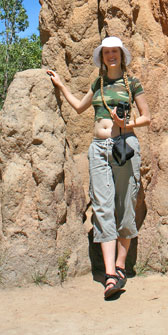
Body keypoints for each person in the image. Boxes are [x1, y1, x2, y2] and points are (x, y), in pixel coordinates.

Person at [46, 36, 150, 299]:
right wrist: (60, 85)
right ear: (102, 57)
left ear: (121, 55)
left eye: (115, 51)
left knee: (124, 204)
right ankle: (110, 275)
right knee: (102, 206)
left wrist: (126, 122)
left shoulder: (132, 83)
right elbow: (80, 108)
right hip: (98, 149)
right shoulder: (98, 83)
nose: (111, 56)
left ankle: (120, 265)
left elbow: (147, 117)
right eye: (107, 52)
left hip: (124, 145)